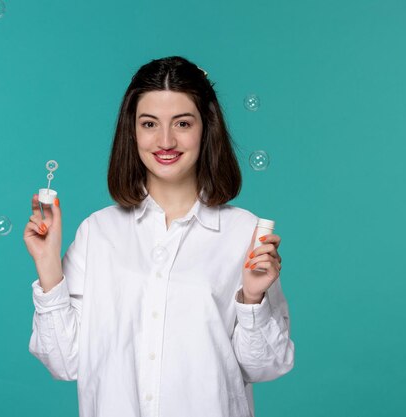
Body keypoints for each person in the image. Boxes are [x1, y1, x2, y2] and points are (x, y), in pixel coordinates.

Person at [24, 56, 294, 417]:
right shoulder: (98, 233)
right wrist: (47, 265)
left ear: (206, 127)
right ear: (132, 131)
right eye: (149, 123)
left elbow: (266, 367)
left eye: (182, 123)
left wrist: (251, 298)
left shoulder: (244, 234)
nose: (165, 140)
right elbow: (64, 362)